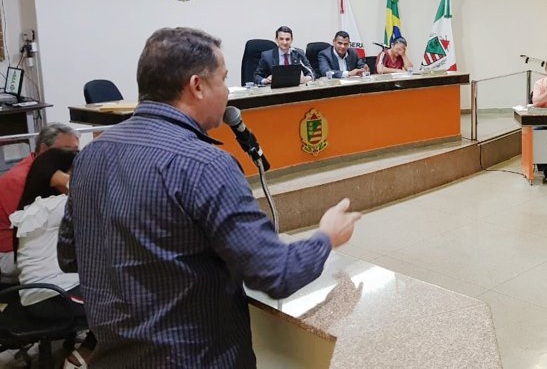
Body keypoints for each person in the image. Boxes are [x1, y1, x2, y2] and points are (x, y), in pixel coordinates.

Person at [58, 27, 362, 367]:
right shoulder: (205, 165)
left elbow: (69, 256)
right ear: (197, 86)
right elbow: (276, 273)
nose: (227, 93)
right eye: (223, 80)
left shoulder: (90, 155)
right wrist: (326, 236)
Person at [10, 148, 95, 368]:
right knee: (121, 303)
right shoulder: (57, 206)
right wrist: (60, 175)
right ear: (58, 176)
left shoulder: (32, 207)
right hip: (54, 298)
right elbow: (93, 193)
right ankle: (80, 359)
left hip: (35, 297)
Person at [0, 123, 78, 283]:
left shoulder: (45, 176)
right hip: (10, 256)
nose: (72, 156)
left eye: (76, 150)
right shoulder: (19, 179)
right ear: (43, 150)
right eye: (65, 150)